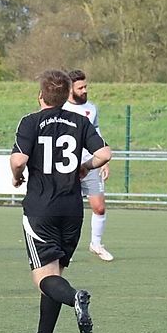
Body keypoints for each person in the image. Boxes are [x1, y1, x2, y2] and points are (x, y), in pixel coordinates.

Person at [11, 69, 112, 333]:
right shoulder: (80, 121)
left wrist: (17, 175)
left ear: (41, 94)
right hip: (71, 210)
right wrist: (87, 166)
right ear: (67, 94)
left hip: (41, 209)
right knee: (56, 275)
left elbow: (19, 160)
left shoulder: (30, 121)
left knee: (43, 278)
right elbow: (105, 153)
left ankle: (75, 297)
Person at [63, 69, 114, 261]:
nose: (85, 90)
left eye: (86, 86)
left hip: (90, 163)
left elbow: (96, 133)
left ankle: (96, 244)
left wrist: (104, 161)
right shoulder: (62, 109)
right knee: (67, 207)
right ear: (70, 89)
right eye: (80, 87)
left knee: (99, 207)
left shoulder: (91, 108)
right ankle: (63, 246)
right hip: (67, 166)